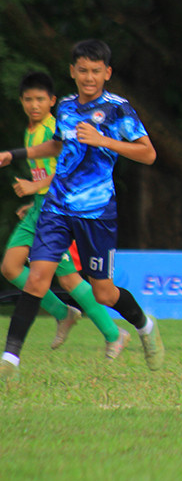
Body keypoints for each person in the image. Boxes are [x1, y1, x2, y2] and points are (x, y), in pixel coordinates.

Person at [0, 40, 165, 380]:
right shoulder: (66, 107)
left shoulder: (119, 109)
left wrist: (103, 140)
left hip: (96, 211)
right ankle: (10, 360)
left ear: (107, 73)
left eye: (95, 71)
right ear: (72, 71)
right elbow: (58, 144)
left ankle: (144, 325)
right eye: (82, 71)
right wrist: (14, 154)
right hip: (57, 207)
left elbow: (148, 154)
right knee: (36, 278)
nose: (89, 77)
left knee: (103, 291)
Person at [1, 72, 128, 359]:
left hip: (59, 212)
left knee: (70, 280)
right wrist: (35, 196)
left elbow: (69, 169)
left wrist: (37, 187)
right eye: (29, 100)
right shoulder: (31, 130)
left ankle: (113, 333)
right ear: (21, 101)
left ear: (52, 101)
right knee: (10, 267)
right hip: (40, 208)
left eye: (41, 100)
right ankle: (64, 312)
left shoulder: (52, 128)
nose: (35, 105)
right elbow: (45, 170)